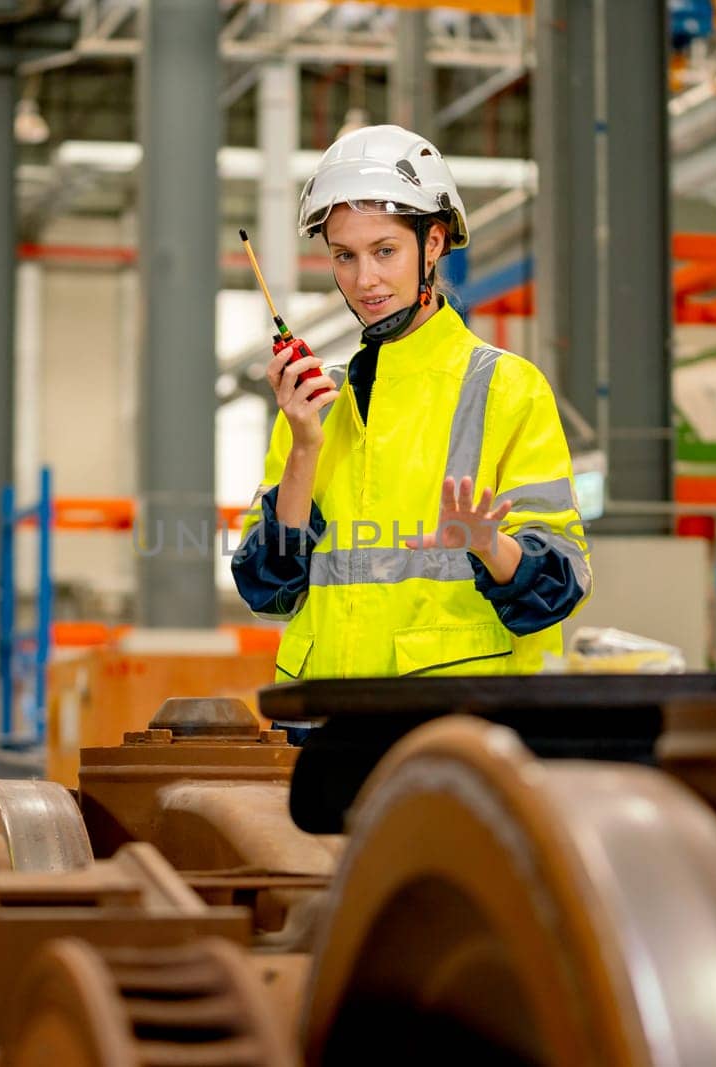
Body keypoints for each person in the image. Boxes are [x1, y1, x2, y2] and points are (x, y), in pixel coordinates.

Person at [232, 124, 591, 680]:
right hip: (323, 723)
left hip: (450, 722)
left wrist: (489, 546)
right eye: (344, 256)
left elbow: (562, 582)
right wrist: (304, 448)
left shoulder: (505, 388)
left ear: (433, 242)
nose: (365, 279)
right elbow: (268, 589)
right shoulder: (313, 404)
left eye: (385, 251)